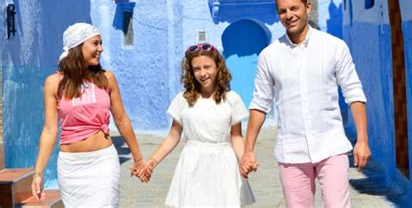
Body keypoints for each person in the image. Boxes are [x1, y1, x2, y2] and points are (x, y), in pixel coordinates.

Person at [240, 0, 371, 208]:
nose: (289, 15)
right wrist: (248, 150)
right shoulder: (269, 56)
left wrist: (362, 140)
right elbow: (260, 104)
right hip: (291, 151)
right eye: (282, 11)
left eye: (294, 8)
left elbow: (354, 93)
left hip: (331, 146)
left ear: (307, 7)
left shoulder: (334, 47)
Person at [31, 22, 146, 207]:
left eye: (101, 43)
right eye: (95, 43)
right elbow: (50, 130)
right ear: (78, 46)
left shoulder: (107, 78)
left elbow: (121, 119)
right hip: (71, 167)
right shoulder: (53, 83)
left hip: (103, 162)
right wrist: (38, 174)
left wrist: (138, 159)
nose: (100, 49)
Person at [137, 43, 255, 207]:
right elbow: (173, 135)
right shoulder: (183, 99)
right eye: (197, 69)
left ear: (218, 67)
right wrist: (151, 162)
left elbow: (236, 136)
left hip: (223, 163)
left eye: (207, 67)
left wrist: (244, 159)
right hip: (192, 163)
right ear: (191, 72)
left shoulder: (232, 99)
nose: (203, 73)